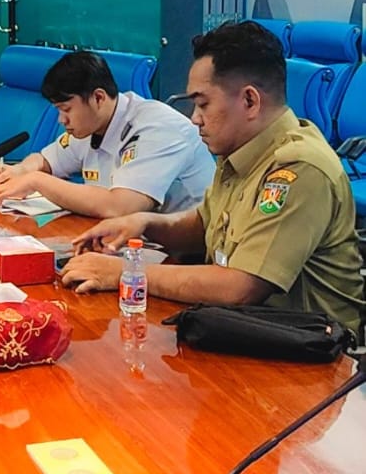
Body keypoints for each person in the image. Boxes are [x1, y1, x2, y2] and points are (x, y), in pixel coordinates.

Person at [61, 22, 364, 333]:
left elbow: (240, 286)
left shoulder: (298, 169)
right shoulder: (241, 151)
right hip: (250, 330)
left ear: (249, 101)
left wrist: (126, 272)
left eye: (203, 103)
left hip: (316, 356)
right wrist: (144, 223)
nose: (195, 118)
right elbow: (206, 224)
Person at [0, 49, 214, 218]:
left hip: (185, 254)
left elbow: (120, 207)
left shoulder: (158, 127)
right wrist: (20, 171)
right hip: (129, 241)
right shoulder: (89, 126)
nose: (61, 120)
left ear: (98, 98)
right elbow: (46, 160)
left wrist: (36, 181)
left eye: (66, 109)